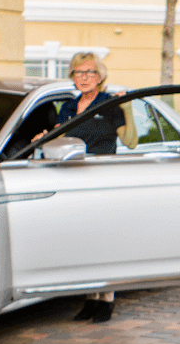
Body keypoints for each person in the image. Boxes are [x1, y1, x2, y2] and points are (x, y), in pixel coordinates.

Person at [54, 51, 138, 322]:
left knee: (105, 238)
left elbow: (131, 141)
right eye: (79, 72)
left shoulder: (109, 104)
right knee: (83, 238)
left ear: (100, 77)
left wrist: (127, 107)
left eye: (90, 72)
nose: (84, 77)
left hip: (103, 177)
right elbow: (60, 138)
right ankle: (91, 298)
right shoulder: (68, 106)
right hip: (74, 177)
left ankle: (107, 298)